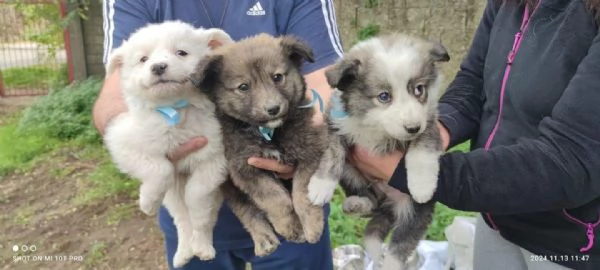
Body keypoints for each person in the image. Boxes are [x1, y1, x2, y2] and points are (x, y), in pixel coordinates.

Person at [347, 0, 600, 270]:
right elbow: (473, 83)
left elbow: (571, 159)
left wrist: (413, 172)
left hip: (570, 245)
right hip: (496, 222)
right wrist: (430, 134)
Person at [93, 1, 343, 269]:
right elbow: (115, 93)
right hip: (191, 217)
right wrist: (146, 146)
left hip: (295, 208)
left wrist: (306, 143)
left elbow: (323, 80)